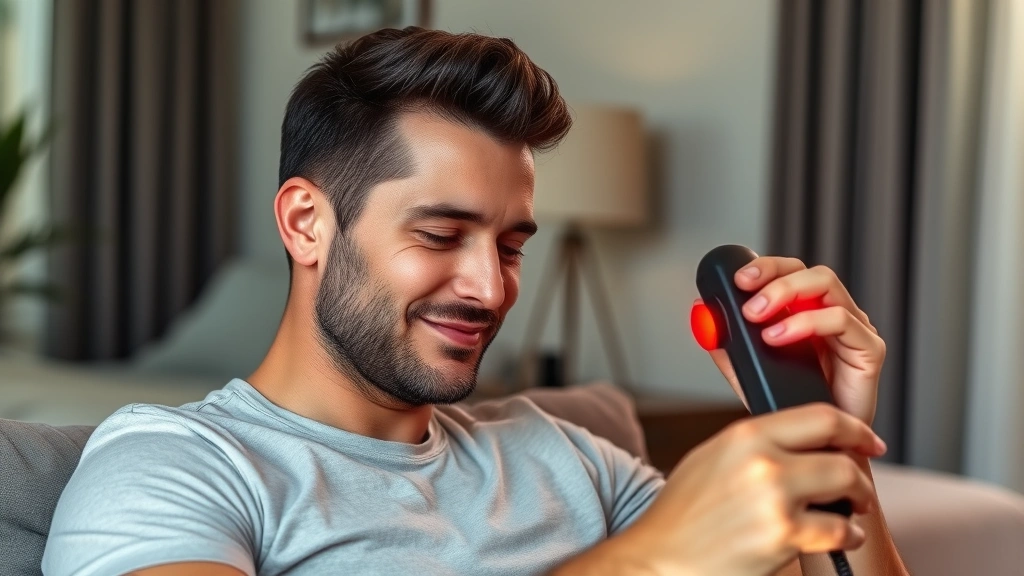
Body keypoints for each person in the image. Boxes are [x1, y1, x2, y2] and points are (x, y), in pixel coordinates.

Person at [43, 27, 908, 576]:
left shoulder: (570, 458)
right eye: (440, 234)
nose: (491, 288)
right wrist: (651, 561)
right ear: (307, 223)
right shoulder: (175, 465)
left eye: (512, 245)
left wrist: (833, 443)